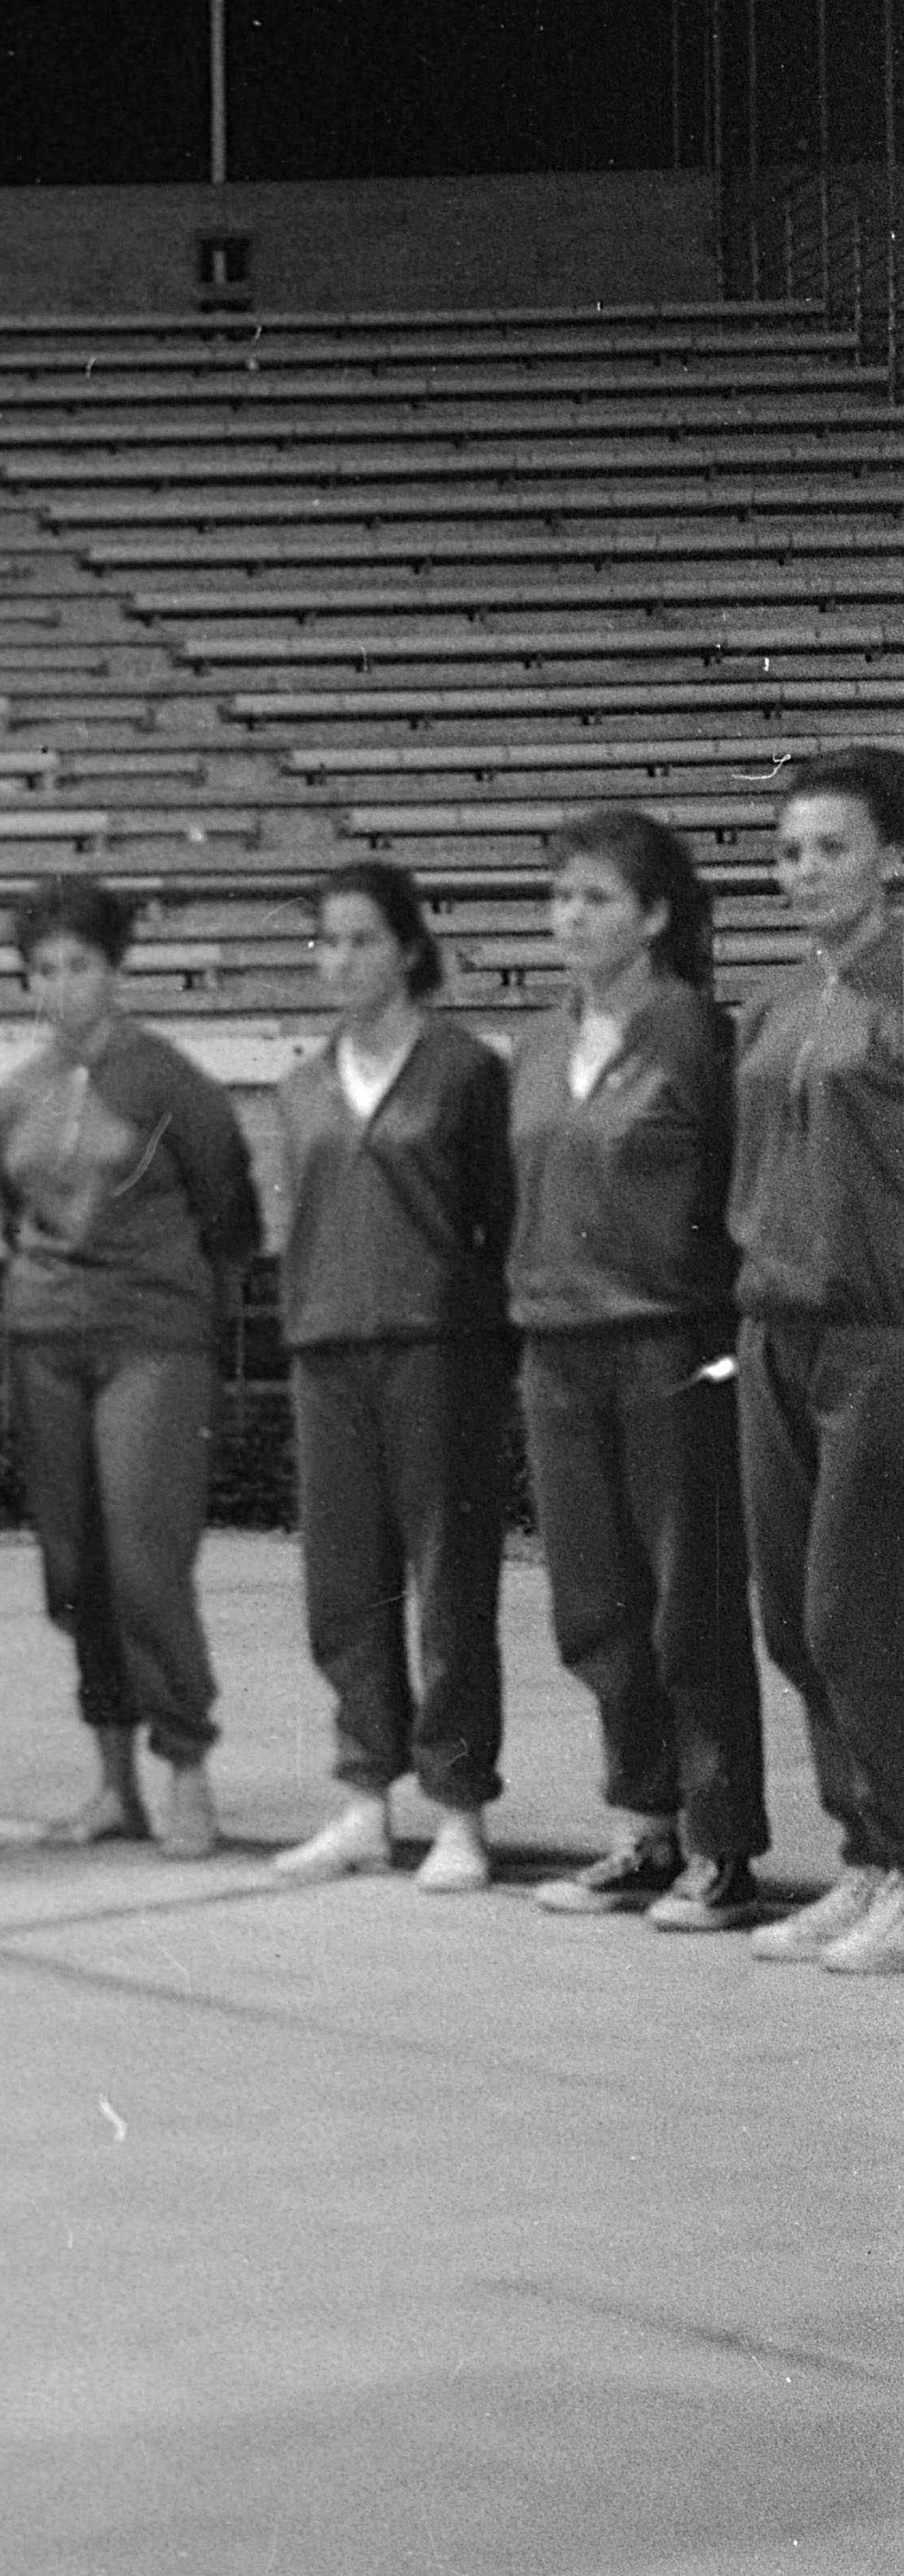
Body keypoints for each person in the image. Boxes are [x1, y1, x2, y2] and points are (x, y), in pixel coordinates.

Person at [511, 808, 771, 1933]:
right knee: (591, 1599)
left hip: (671, 1344)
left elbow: (737, 1193)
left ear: (655, 914)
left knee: (688, 1601)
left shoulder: (694, 1035)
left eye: (597, 896)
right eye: (559, 895)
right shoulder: (530, 1044)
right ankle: (641, 1823)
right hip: (554, 1349)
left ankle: (719, 1845)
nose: (571, 916)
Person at [0, 872, 261, 1857]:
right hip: (45, 1343)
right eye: (41, 971)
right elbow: (7, 1213)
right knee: (74, 1571)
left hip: (151, 1344)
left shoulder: (167, 1081)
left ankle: (185, 1766)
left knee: (146, 1563)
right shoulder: (16, 1091)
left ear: (114, 970)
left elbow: (231, 1217)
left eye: (78, 967)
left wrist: (168, 1307)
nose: (59, 987)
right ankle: (112, 1786)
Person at [263, 861, 518, 1895]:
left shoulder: (463, 1070)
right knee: (342, 1588)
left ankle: (457, 1808)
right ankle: (364, 1799)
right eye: (325, 942)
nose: (341, 960)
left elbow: (499, 1220)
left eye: (361, 940)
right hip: (327, 1352)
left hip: (436, 1351)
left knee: (449, 1581)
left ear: (408, 948)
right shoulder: (300, 1083)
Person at [728, 748, 904, 1978]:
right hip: (771, 1329)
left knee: (857, 1611)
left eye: (830, 847)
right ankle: (865, 1854)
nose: (802, 873)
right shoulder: (773, 1006)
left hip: (879, 1337)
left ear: (892, 856)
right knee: (790, 1614)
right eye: (788, 851)